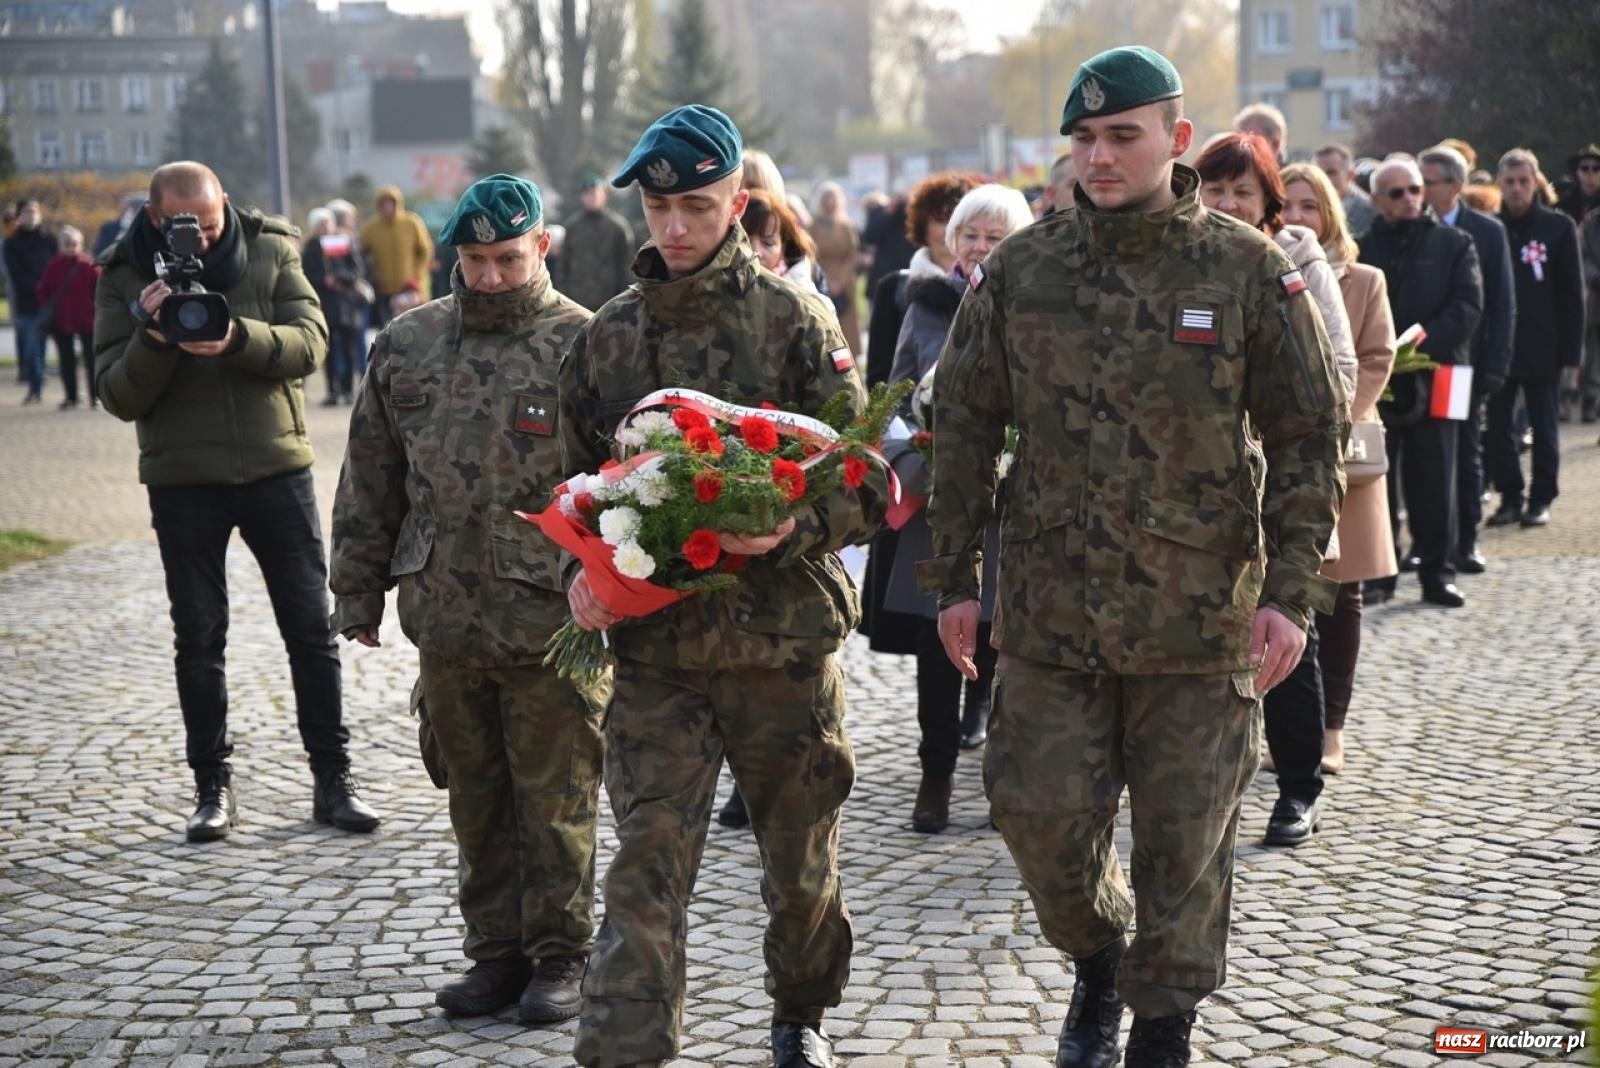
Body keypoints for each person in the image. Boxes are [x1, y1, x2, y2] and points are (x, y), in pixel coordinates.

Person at [924, 48, 1345, 1068]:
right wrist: (953, 582)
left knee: (1186, 842)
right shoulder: (1022, 270)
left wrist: (1289, 597)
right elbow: (965, 428)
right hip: (1049, 612)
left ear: (1176, 139)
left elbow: (1304, 435)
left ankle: (1160, 1022)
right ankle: (1098, 951)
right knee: (1035, 816)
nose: (1099, 157)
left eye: (1122, 135)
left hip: (1199, 617)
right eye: (1083, 139)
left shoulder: (1247, 269)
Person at [558, 104, 885, 1068]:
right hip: (658, 656)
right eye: (658, 206)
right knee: (645, 860)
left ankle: (801, 1018)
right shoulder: (610, 337)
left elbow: (861, 475)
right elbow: (572, 487)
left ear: (738, 204)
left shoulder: (793, 319)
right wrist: (582, 572)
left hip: (780, 649)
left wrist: (799, 524)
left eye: (696, 205)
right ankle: (627, 1045)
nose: (674, 226)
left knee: (799, 860)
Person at [330, 174, 604, 1025]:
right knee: (476, 801)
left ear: (541, 248)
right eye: (474, 261)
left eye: (507, 259)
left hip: (554, 627)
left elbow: (625, 488)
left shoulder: (585, 344)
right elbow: (371, 474)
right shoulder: (406, 345)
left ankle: (561, 957)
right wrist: (358, 587)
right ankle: (495, 956)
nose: (489, 276)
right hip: (444, 619)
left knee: (555, 802)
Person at [94, 161, 381, 842]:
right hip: (182, 478)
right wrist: (156, 336)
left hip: (274, 469)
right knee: (198, 638)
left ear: (225, 202)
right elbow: (115, 392)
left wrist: (236, 338)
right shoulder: (123, 271)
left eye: (213, 219)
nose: (202, 234)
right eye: (186, 223)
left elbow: (312, 343)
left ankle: (333, 780)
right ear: (159, 218)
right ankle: (211, 790)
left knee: (311, 629)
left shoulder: (272, 246)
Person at [1195, 132, 1356, 848]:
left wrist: (1267, 418)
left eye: (1242, 193)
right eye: (1216, 190)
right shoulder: (1183, 257)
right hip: (1195, 486)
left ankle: (1298, 784)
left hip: (1277, 479)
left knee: (1289, 626)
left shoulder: (1297, 263)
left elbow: (1339, 374)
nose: (1227, 204)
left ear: (1268, 204)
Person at [882, 183, 1031, 834]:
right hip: (938, 501)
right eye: (969, 234)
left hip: (1010, 504)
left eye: (995, 238)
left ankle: (1002, 779)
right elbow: (892, 396)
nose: (978, 247)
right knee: (934, 643)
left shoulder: (1035, 308)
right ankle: (935, 773)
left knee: (1001, 642)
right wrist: (914, 462)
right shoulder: (924, 306)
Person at [1281, 163, 1398, 777]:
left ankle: (1332, 727)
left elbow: (1376, 356)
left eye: (1310, 204)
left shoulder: (1362, 278)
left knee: (1343, 595)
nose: (1298, 216)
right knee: (1293, 592)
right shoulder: (1265, 262)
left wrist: (1335, 420)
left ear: (1329, 211)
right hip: (1282, 449)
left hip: (1343, 449)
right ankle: (1287, 725)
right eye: (1289, 204)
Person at [1359, 158, 1482, 608]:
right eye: (1396, 192)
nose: (1410, 198)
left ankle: (1438, 573)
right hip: (1380, 378)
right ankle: (1380, 574)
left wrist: (1414, 349)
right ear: (1376, 200)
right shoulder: (1363, 247)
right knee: (1379, 480)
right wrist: (1385, 356)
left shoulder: (1455, 242)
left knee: (1439, 477)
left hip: (1441, 373)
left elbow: (1466, 308)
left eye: (1415, 189)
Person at [1418, 144, 1516, 573]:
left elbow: (1502, 303)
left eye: (1427, 182)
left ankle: (1466, 541)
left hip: (1462, 367)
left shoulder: (1487, 232)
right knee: (1423, 459)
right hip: (1417, 363)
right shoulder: (1412, 229)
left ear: (1454, 186)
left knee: (1463, 452)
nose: (1418, 191)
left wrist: (1495, 364)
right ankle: (1427, 543)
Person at [1485, 148, 1586, 528]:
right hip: (1500, 345)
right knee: (1498, 429)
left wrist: (1571, 352)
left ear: (1535, 182)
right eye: (1509, 182)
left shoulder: (1557, 228)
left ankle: (1541, 498)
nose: (1516, 189)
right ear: (1499, 185)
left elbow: (1572, 294)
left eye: (1523, 181)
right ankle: (1510, 496)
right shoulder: (1491, 228)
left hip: (1545, 344)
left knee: (1544, 428)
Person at [301, 206, 372, 406]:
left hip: (347, 303)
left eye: (327, 223)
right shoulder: (311, 248)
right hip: (325, 304)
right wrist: (325, 280)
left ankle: (349, 390)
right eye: (320, 224)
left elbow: (357, 269)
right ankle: (332, 390)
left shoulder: (343, 243)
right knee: (329, 350)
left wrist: (341, 278)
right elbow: (306, 274)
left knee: (349, 349)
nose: (325, 227)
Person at [34, 225, 101, 409]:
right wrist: (48, 306)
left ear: (80, 244)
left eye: (74, 244)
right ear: (60, 245)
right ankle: (71, 397)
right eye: (67, 244)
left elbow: (100, 290)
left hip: (87, 319)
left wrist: (95, 308)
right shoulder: (53, 266)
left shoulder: (89, 265)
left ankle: (94, 397)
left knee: (92, 360)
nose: (71, 248)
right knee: (66, 360)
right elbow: (42, 290)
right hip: (62, 320)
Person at [556, 174, 636, 313]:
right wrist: (563, 295)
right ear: (581, 196)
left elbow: (627, 265)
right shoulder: (572, 227)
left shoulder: (618, 227)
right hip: (576, 302)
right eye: (587, 193)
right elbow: (563, 264)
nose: (592, 197)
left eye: (596, 193)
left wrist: (625, 297)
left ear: (605, 195)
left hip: (610, 302)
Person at [3, 200, 55, 405]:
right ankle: (35, 385)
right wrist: (39, 286)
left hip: (49, 302)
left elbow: (56, 267)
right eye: (26, 212)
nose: (31, 215)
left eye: (34, 211)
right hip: (26, 303)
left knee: (40, 347)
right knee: (31, 348)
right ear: (20, 216)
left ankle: (37, 386)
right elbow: (15, 274)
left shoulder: (49, 239)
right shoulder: (12, 243)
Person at [359, 185, 433, 326]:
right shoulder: (371, 227)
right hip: (383, 289)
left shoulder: (412, 223)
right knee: (387, 328)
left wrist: (416, 276)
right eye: (383, 203)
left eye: (390, 203)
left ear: (397, 204)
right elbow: (359, 252)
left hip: (407, 288)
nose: (387, 207)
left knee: (412, 325)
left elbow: (425, 251)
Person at [810, 182, 862, 354]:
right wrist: (827, 280)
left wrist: (840, 280)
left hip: (845, 281)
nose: (830, 203)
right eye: (826, 199)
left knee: (847, 328)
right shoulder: (813, 226)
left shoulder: (846, 225)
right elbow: (811, 255)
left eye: (833, 199)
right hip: (821, 279)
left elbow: (852, 255)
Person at [741, 188, 823, 294]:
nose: (756, 252)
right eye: (745, 241)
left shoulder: (802, 297)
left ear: (783, 248)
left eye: (768, 243)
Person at [1316, 143, 1379, 239]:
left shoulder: (1371, 212)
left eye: (1331, 172)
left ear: (1350, 175)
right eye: (1318, 173)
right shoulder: (1308, 208)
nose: (1323, 178)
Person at [1557, 142, 1600, 225]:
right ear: (1577, 172)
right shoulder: (1563, 204)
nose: (1590, 172)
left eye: (1596, 168)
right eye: (1584, 168)